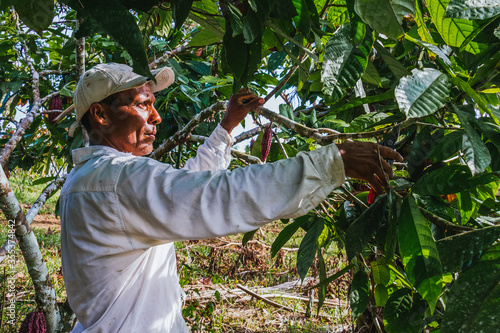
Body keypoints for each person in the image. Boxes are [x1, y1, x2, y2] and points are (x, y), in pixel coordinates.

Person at [60, 63, 402, 332]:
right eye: (142, 104)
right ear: (101, 116)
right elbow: (219, 196)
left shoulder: (94, 178)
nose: (156, 116)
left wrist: (227, 126)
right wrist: (332, 162)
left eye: (153, 104)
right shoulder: (117, 181)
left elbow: (189, 186)